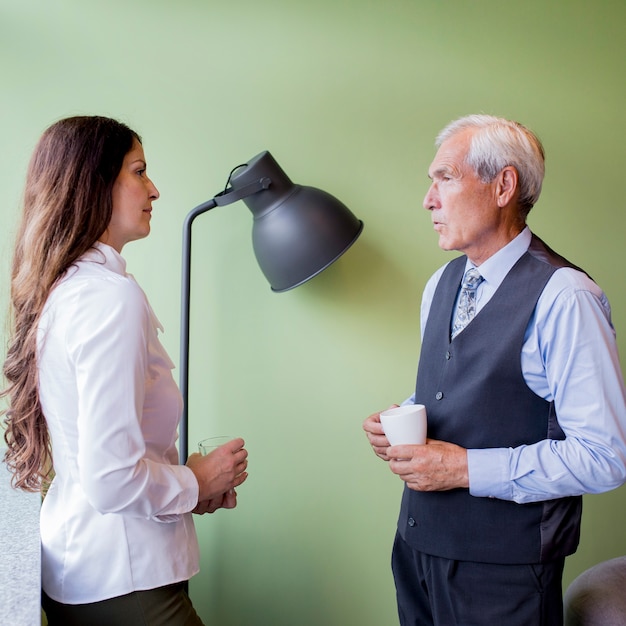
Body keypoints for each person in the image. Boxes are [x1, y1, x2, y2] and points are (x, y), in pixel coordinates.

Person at [363, 114, 626, 626]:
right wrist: (402, 422)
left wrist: (462, 468)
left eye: (445, 177)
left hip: (502, 579)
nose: (428, 199)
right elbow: (465, 393)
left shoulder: (566, 297)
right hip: (415, 552)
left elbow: (606, 456)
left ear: (503, 185)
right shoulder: (440, 283)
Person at [1, 115, 249, 625]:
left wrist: (187, 492)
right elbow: (112, 479)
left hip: (97, 570)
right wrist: (194, 481)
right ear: (95, 184)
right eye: (138, 171)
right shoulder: (108, 298)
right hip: (125, 579)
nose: (153, 188)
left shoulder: (72, 290)